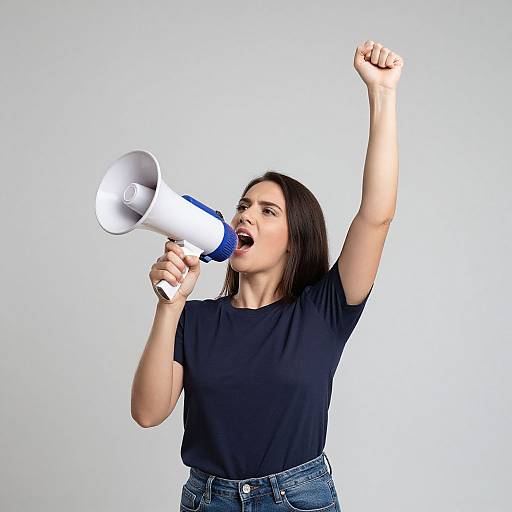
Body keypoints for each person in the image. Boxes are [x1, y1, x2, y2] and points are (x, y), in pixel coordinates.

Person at [131, 39, 403, 512]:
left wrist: (382, 94)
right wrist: (168, 307)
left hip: (297, 499)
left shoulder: (324, 311)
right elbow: (148, 413)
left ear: (295, 238)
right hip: (207, 500)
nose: (245, 217)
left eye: (267, 210)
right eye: (242, 206)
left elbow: (375, 216)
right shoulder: (193, 321)